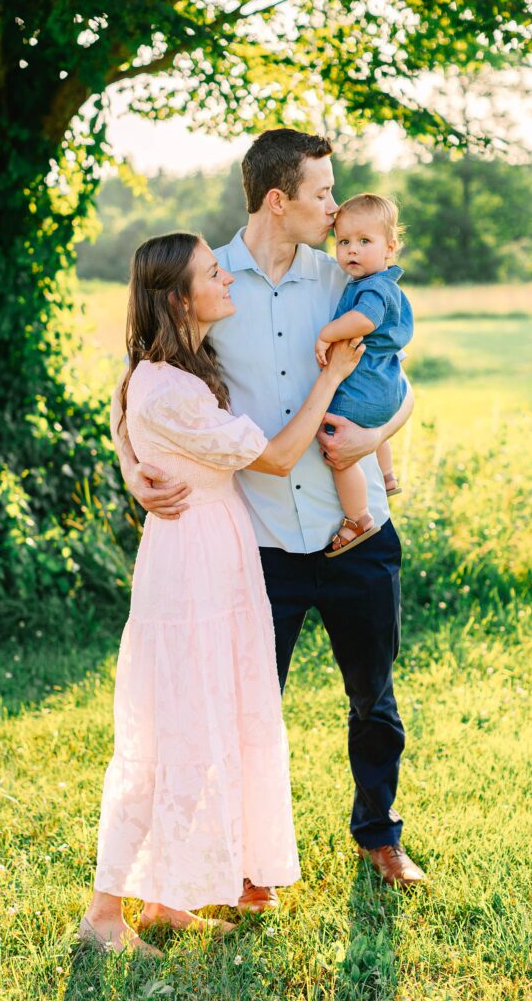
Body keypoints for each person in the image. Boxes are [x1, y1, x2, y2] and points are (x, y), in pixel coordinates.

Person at [117, 128, 427, 894]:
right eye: (322, 193)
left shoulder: (349, 275)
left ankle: (378, 837)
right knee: (245, 713)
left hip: (354, 528)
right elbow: (133, 389)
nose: (334, 207)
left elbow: (400, 384)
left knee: (373, 700)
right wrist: (131, 472)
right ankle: (249, 869)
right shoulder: (206, 280)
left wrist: (376, 436)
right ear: (278, 199)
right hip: (252, 543)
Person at [80, 231, 364, 954]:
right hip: (190, 567)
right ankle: (105, 916)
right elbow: (270, 458)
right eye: (214, 274)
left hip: (219, 554)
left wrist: (132, 462)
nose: (228, 280)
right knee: (171, 726)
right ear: (179, 298)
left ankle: (170, 902)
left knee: (208, 720)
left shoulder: (179, 369)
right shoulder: (167, 386)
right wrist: (329, 380)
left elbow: (124, 414)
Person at [314, 193, 413, 557]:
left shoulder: (373, 287)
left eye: (364, 242)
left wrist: (328, 333)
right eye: (343, 242)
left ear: (389, 248)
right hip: (387, 388)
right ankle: (387, 476)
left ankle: (357, 518)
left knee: (339, 450)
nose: (351, 250)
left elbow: (365, 320)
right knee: (370, 422)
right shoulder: (386, 284)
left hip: (365, 388)